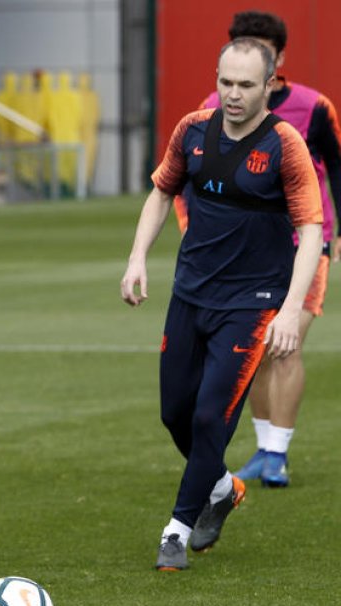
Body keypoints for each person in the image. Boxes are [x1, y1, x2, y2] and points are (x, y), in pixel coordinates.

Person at [121, 39, 322, 572]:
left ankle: (176, 531)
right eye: (225, 82)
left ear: (271, 85)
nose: (233, 95)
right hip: (190, 294)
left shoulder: (285, 145)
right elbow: (162, 192)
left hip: (252, 304)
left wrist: (289, 307)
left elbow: (310, 227)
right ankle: (220, 488)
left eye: (246, 85)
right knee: (175, 414)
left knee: (213, 414)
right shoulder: (191, 129)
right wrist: (138, 257)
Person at [205, 11, 341, 488]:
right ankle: (266, 449)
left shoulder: (313, 106)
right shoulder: (212, 108)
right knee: (257, 350)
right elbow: (188, 178)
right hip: (243, 253)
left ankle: (277, 455)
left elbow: (338, 167)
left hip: (306, 244)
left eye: (262, 50)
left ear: (279, 58)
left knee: (286, 344)